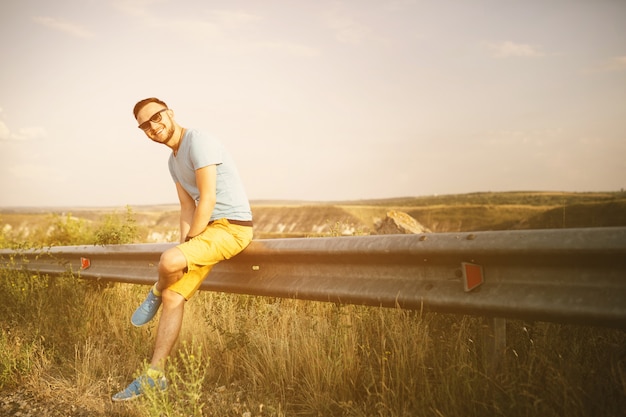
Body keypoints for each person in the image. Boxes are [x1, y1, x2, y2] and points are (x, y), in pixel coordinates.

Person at [112, 97, 253, 401]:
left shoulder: (198, 141)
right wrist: (184, 246)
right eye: (145, 125)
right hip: (207, 230)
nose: (153, 127)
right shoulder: (172, 160)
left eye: (157, 117)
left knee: (168, 261)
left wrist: (183, 250)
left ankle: (153, 292)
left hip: (231, 228)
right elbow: (187, 208)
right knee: (173, 295)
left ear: (170, 113)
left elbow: (209, 198)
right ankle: (154, 376)